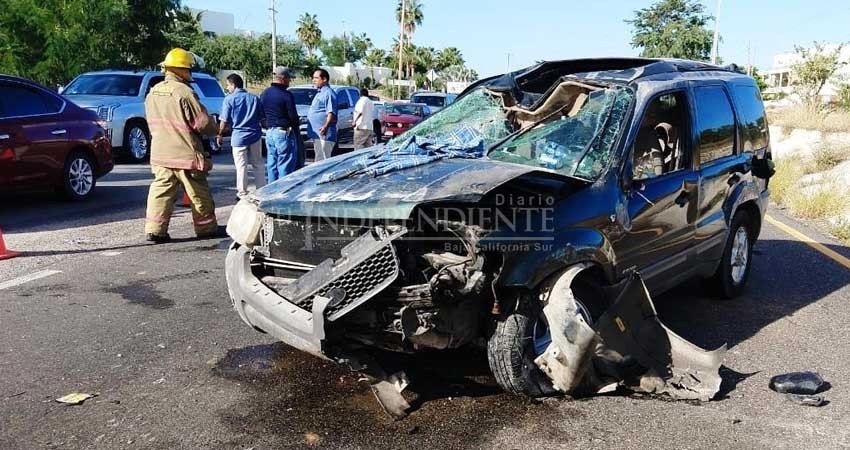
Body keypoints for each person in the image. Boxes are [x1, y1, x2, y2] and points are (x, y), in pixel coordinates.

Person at [143, 48, 222, 244]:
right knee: (198, 192)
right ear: (181, 70)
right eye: (189, 69)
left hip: (161, 153)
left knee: (161, 192)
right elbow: (202, 124)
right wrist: (216, 128)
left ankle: (155, 230)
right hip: (185, 154)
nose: (191, 73)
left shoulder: (153, 92)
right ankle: (206, 228)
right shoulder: (184, 92)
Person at [218, 73, 266, 200]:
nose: (227, 88)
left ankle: (242, 193)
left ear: (233, 85)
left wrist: (220, 134)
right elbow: (262, 119)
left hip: (239, 136)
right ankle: (261, 190)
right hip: (255, 135)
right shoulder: (254, 98)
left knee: (241, 166)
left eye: (228, 85)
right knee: (258, 164)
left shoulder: (229, 99)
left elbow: (224, 121)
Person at [260, 66, 300, 182]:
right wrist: (296, 123)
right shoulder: (286, 95)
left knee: (272, 163)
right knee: (285, 164)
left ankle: (271, 189)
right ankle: (282, 190)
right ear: (283, 78)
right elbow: (292, 115)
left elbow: (260, 112)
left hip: (270, 132)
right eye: (288, 79)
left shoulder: (265, 93)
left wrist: (266, 123)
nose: (289, 81)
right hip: (283, 132)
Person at [307, 69, 338, 161]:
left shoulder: (329, 93)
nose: (314, 80)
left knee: (322, 161)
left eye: (316, 78)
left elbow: (331, 112)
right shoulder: (319, 93)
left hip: (324, 134)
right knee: (319, 159)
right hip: (317, 133)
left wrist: (325, 126)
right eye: (313, 78)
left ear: (324, 79)